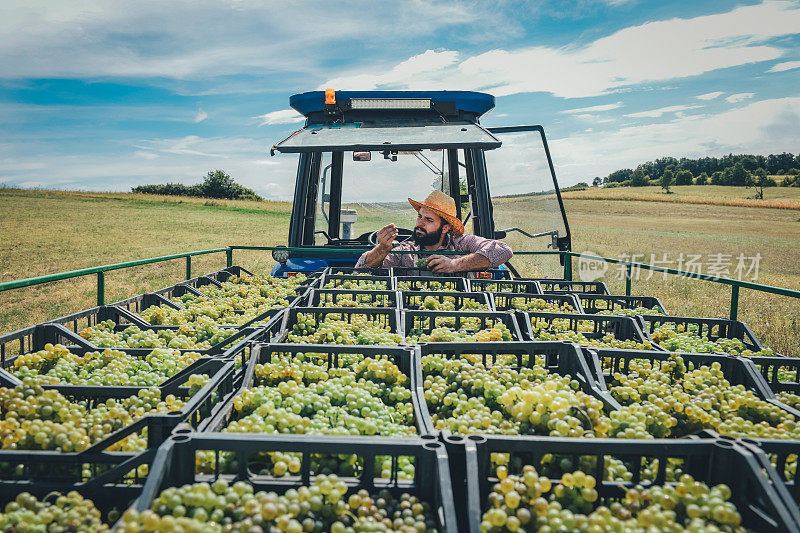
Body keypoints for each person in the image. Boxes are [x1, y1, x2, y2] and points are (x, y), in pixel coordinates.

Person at [355, 190, 513, 273]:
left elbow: (503, 250)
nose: (420, 223)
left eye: (428, 220)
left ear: (445, 228)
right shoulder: (406, 251)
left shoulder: (461, 243)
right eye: (419, 217)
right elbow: (361, 270)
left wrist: (454, 265)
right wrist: (381, 249)